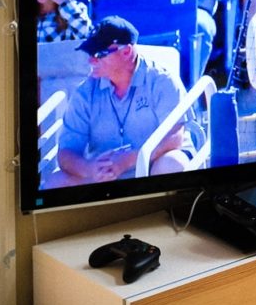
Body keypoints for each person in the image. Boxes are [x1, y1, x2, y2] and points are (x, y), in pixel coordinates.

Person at [46, 16, 195, 187]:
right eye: (90, 53)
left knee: (171, 164)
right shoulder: (84, 93)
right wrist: (90, 169)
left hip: (152, 165)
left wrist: (128, 160)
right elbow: (66, 153)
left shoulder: (162, 80)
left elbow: (174, 138)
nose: (91, 60)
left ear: (126, 52)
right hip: (108, 174)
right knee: (55, 181)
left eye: (99, 54)